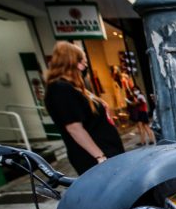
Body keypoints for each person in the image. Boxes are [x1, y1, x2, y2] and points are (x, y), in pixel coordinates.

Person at [44, 41, 124, 176]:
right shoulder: (60, 89)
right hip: (95, 157)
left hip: (107, 152)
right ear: (71, 62)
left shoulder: (73, 87)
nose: (85, 66)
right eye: (82, 62)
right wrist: (99, 156)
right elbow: (74, 128)